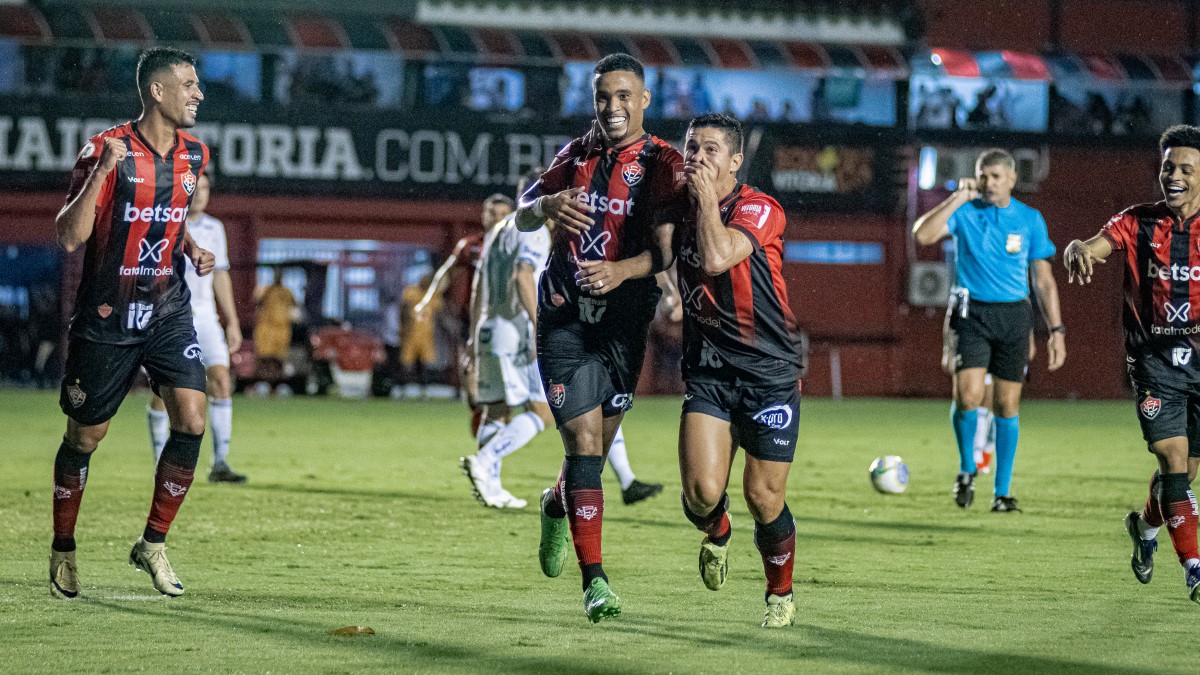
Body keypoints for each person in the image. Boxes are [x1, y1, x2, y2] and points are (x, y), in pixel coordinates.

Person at [515, 53, 684, 623]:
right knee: (584, 445)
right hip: (562, 313)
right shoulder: (577, 153)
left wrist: (621, 271)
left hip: (623, 322)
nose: (611, 108)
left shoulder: (662, 162)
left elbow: (666, 251)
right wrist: (545, 205)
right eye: (602, 97)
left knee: (597, 447)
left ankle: (553, 504)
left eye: (622, 96)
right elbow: (521, 213)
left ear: (643, 100)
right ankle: (597, 583)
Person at [49, 46, 213, 599]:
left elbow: (166, 217)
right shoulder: (105, 149)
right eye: (189, 85)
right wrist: (103, 171)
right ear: (158, 92)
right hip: (106, 316)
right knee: (86, 435)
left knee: (192, 418)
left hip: (167, 308)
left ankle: (153, 543)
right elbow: (70, 235)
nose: (199, 94)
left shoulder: (195, 155)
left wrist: (188, 246)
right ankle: (64, 547)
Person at [459, 171, 665, 509]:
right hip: (518, 331)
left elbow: (480, 286)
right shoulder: (535, 229)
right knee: (543, 412)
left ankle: (490, 484)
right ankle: (485, 461)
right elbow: (523, 276)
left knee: (496, 410)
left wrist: (473, 332)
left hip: (489, 327)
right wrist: (543, 327)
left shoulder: (497, 231)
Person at [671, 113, 805, 628]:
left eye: (709, 150)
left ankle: (780, 596)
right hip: (708, 370)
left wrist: (705, 201)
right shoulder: (676, 207)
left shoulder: (760, 208)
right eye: (691, 148)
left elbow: (718, 255)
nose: (697, 158)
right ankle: (718, 531)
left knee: (764, 496)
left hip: (768, 371)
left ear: (734, 160)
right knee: (701, 494)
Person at [1063, 124, 1200, 604]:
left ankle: (1143, 528)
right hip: (1153, 362)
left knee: (1184, 476)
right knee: (1173, 461)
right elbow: (1092, 244)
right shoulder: (1137, 221)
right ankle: (1194, 567)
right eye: (1168, 167)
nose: (1175, 176)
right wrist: (1077, 250)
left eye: (1186, 168)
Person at [912, 148, 1066, 512]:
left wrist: (1056, 330)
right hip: (971, 313)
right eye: (984, 176)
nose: (990, 183)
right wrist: (957, 196)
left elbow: (1043, 281)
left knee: (1007, 404)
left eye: (997, 176)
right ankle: (967, 469)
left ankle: (1002, 492)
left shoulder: (1029, 219)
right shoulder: (964, 212)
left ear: (1012, 179)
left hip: (1014, 316)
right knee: (967, 396)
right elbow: (923, 235)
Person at [146, 173, 246, 483]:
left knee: (220, 380)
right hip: (169, 316)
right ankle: (160, 462)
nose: (200, 194)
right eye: (194, 188)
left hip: (204, 316)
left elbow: (220, 275)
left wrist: (231, 321)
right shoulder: (163, 224)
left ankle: (220, 463)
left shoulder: (215, 229)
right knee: (165, 391)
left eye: (205, 188)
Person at [415, 195, 513, 398]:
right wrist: (428, 300)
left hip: (512, 319)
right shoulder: (472, 246)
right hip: (476, 318)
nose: (497, 219)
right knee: (471, 372)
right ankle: (479, 411)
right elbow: (447, 272)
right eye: (492, 214)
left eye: (503, 215)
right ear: (483, 216)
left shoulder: (522, 246)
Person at [253, 266, 296, 388]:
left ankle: (278, 384)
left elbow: (294, 307)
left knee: (279, 358)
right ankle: (262, 382)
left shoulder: (287, 292)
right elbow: (256, 300)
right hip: (266, 327)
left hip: (282, 328)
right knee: (265, 357)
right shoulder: (266, 290)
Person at [400, 273, 440, 398]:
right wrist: (404, 326)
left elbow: (440, 314)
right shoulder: (411, 292)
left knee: (425, 364)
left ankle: (424, 390)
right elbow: (403, 309)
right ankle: (403, 389)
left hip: (426, 335)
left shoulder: (433, 295)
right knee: (407, 363)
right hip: (411, 334)